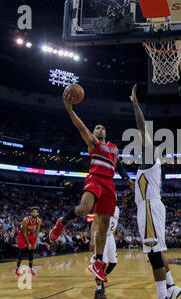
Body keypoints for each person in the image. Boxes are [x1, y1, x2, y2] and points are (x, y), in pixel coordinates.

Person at [49, 90, 134, 284]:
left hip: (110, 184)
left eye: (102, 128)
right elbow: (81, 127)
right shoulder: (93, 143)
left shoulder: (113, 148)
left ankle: (97, 262)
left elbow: (118, 165)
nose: (100, 129)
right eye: (97, 128)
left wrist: (127, 179)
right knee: (84, 208)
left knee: (103, 225)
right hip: (95, 179)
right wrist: (69, 108)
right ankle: (62, 222)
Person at [129, 84, 181, 299]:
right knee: (156, 251)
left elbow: (141, 127)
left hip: (150, 208)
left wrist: (135, 104)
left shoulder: (151, 159)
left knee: (153, 256)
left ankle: (163, 298)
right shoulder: (144, 167)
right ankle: (171, 287)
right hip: (148, 208)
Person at [90, 206, 120, 299]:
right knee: (101, 263)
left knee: (113, 262)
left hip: (110, 237)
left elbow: (113, 225)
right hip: (100, 235)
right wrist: (92, 240)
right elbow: (94, 222)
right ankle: (99, 290)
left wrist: (113, 238)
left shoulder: (117, 209)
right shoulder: (104, 204)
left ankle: (100, 278)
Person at [15, 207, 42, 276]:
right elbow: (24, 232)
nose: (35, 213)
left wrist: (35, 243)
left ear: (38, 213)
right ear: (31, 213)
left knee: (31, 251)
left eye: (36, 212)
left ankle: (30, 269)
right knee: (22, 250)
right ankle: (17, 268)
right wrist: (28, 243)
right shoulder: (26, 220)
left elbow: (37, 232)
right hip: (22, 234)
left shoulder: (39, 220)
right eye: (33, 212)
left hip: (30, 234)